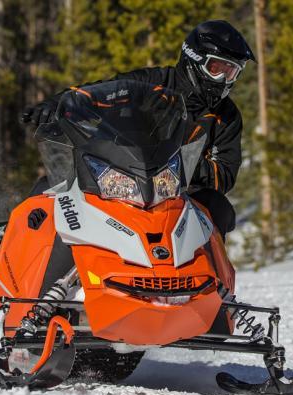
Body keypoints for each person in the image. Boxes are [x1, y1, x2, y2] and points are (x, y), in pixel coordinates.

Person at [22, 20, 255, 238]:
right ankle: (22, 246)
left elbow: (224, 174)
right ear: (194, 59)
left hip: (176, 192)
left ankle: (211, 277)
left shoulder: (227, 116)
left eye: (232, 72)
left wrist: (182, 161)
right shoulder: (150, 82)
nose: (224, 80)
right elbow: (97, 93)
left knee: (219, 208)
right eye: (217, 68)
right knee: (52, 192)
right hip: (117, 176)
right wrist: (58, 104)